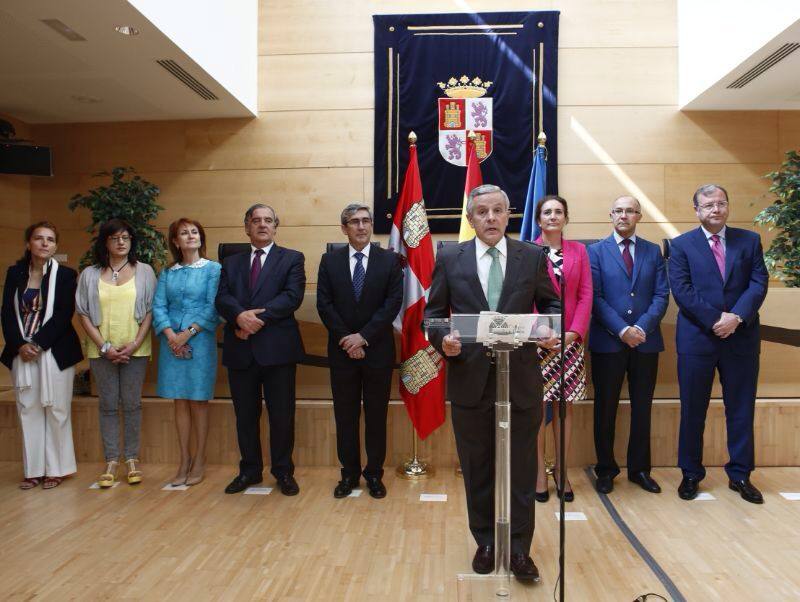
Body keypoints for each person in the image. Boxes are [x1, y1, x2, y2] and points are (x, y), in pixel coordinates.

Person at [425, 184, 560, 582]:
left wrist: (547, 328)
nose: (490, 219)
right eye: (482, 212)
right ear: (470, 219)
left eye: (498, 211)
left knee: (521, 469)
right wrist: (442, 340)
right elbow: (433, 315)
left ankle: (519, 550)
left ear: (508, 215)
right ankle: (485, 541)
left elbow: (551, 305)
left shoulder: (531, 256)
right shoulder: (450, 256)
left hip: (519, 380)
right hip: (470, 380)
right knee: (478, 468)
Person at [668, 184, 768, 504]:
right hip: (698, 338)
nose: (716, 209)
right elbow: (682, 290)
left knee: (740, 410)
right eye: (708, 205)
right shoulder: (681, 245)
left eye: (721, 203)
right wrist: (716, 319)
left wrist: (736, 317)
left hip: (741, 338)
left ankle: (740, 475)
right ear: (696, 210)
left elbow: (758, 282)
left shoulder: (749, 241)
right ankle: (691, 474)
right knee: (693, 410)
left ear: (728, 207)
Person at [215, 204, 305, 496]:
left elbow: (292, 297)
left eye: (268, 220)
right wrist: (239, 317)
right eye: (256, 221)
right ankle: (250, 471)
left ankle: (283, 472)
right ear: (247, 227)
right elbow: (222, 297)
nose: (262, 225)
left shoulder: (292, 258)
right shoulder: (230, 262)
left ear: (276, 227)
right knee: (245, 416)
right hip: (241, 349)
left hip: (277, 350)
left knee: (281, 416)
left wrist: (254, 320)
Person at [317, 203, 403, 499]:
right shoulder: (329, 261)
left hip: (377, 351)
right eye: (354, 222)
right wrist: (347, 339)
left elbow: (392, 303)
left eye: (366, 221)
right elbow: (324, 305)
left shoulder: (389, 261)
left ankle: (374, 475)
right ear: (344, 228)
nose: (362, 226)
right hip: (342, 353)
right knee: (346, 416)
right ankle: (349, 474)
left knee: (376, 416)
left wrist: (363, 337)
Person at [588, 196, 669, 494]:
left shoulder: (652, 252)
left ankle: (639, 470)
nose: (624, 215)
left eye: (630, 211)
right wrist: (622, 329)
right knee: (605, 408)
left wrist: (640, 328)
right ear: (611, 215)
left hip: (645, 343)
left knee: (642, 408)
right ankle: (606, 469)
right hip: (608, 343)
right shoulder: (594, 251)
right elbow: (594, 297)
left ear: (639, 216)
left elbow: (662, 296)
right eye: (619, 210)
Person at [1, 222, 83, 490]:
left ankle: (56, 469)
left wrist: (36, 344)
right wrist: (19, 345)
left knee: (57, 409)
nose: (45, 243)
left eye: (50, 239)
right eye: (39, 238)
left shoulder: (67, 275)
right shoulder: (14, 273)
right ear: (29, 244)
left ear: (56, 246)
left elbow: (62, 314)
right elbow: (6, 314)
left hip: (55, 351)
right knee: (29, 409)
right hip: (20, 353)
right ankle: (33, 470)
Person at [76, 219, 156, 487]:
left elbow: (149, 312)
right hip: (102, 351)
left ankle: (132, 458)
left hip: (136, 348)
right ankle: (111, 459)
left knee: (132, 404)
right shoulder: (89, 273)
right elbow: (84, 314)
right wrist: (105, 347)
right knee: (108, 405)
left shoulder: (144, 271)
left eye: (126, 237)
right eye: (115, 238)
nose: (121, 242)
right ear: (105, 242)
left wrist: (133, 344)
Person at [153, 218, 221, 487]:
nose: (191, 236)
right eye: (184, 233)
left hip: (200, 341)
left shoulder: (213, 269)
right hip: (171, 344)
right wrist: (171, 336)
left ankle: (200, 459)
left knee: (198, 401)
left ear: (201, 238)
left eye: (194, 232)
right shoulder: (167, 272)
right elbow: (158, 305)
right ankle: (184, 459)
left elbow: (213, 306)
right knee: (179, 401)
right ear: (175, 241)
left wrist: (187, 333)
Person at [533, 195, 592, 503]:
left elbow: (585, 295)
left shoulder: (579, 251)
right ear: (539, 219)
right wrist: (539, 332)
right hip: (537, 343)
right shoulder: (527, 251)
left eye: (558, 212)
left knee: (563, 410)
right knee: (536, 411)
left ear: (566, 218)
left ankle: (562, 471)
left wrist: (573, 333)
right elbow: (521, 295)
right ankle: (539, 473)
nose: (553, 216)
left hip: (569, 343)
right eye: (547, 212)